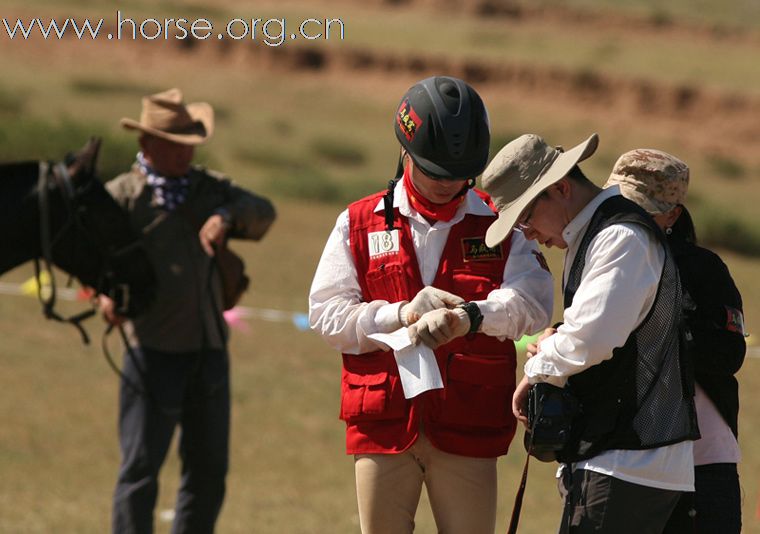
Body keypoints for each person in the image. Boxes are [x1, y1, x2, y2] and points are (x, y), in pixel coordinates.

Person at [308, 76, 553, 534]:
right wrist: (399, 314)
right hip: (384, 428)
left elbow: (534, 302)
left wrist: (471, 318)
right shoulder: (357, 222)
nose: (448, 184)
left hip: (469, 424)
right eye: (436, 172)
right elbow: (326, 313)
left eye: (460, 174)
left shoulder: (502, 222)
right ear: (406, 154)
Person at [481, 133, 700, 534]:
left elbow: (592, 338)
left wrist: (537, 370)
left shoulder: (620, 237)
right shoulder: (601, 234)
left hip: (627, 461)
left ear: (561, 188)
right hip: (622, 460)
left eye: (526, 216)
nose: (526, 233)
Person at [98, 88, 276, 534]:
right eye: (175, 144)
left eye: (190, 144)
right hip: (150, 353)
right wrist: (102, 292)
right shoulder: (119, 198)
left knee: (209, 472)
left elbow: (264, 213)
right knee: (139, 471)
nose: (186, 153)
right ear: (146, 145)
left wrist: (227, 217)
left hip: (209, 353)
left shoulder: (210, 189)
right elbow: (92, 255)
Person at [604, 149, 746, 534]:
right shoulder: (603, 256)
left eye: (644, 209)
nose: (631, 218)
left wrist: (657, 324)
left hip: (703, 460)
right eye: (623, 205)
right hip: (624, 457)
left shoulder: (704, 269)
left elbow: (730, 353)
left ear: (673, 215)